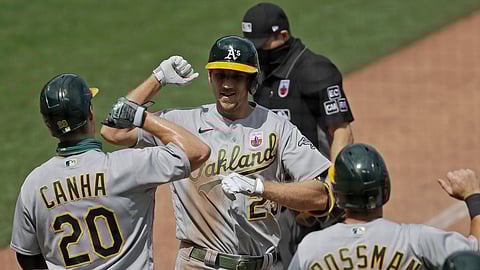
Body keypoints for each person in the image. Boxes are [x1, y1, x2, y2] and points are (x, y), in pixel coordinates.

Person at [101, 35, 335, 270]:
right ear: (211, 77)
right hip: (200, 264)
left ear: (251, 81)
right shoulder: (182, 124)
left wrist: (260, 188)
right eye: (220, 75)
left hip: (262, 264)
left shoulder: (276, 126)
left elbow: (320, 196)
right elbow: (113, 132)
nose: (227, 84)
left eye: (236, 76)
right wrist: (158, 78)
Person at [10, 72, 210, 269]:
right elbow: (197, 151)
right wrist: (141, 116)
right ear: (90, 112)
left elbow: (27, 257)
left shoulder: (33, 184)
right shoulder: (128, 167)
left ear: (48, 125)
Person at [241, 3, 355, 267]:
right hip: (273, 192)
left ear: (282, 36)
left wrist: (330, 187)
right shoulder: (259, 73)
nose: (256, 51)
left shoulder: (314, 70)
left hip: (312, 195)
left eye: (260, 44)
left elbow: (342, 131)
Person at [288, 143, 480, 270]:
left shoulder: (311, 248)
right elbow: (473, 257)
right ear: (385, 189)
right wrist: (473, 195)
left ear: (338, 195)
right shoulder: (416, 241)